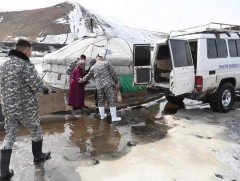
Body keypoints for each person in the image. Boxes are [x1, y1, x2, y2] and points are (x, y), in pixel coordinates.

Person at [0, 39, 51, 180]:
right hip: (26, 108)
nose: (31, 54)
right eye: (31, 51)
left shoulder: (4, 65)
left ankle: (3, 172)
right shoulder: (25, 65)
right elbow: (36, 86)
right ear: (26, 51)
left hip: (9, 108)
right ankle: (38, 157)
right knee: (35, 130)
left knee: (9, 135)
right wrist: (45, 89)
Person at [79, 54, 121, 122]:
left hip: (99, 86)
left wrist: (81, 80)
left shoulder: (93, 67)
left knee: (100, 101)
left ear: (96, 59)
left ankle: (102, 116)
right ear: (102, 58)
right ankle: (114, 117)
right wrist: (116, 81)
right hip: (108, 84)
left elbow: (87, 76)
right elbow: (113, 73)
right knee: (111, 99)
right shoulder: (106, 63)